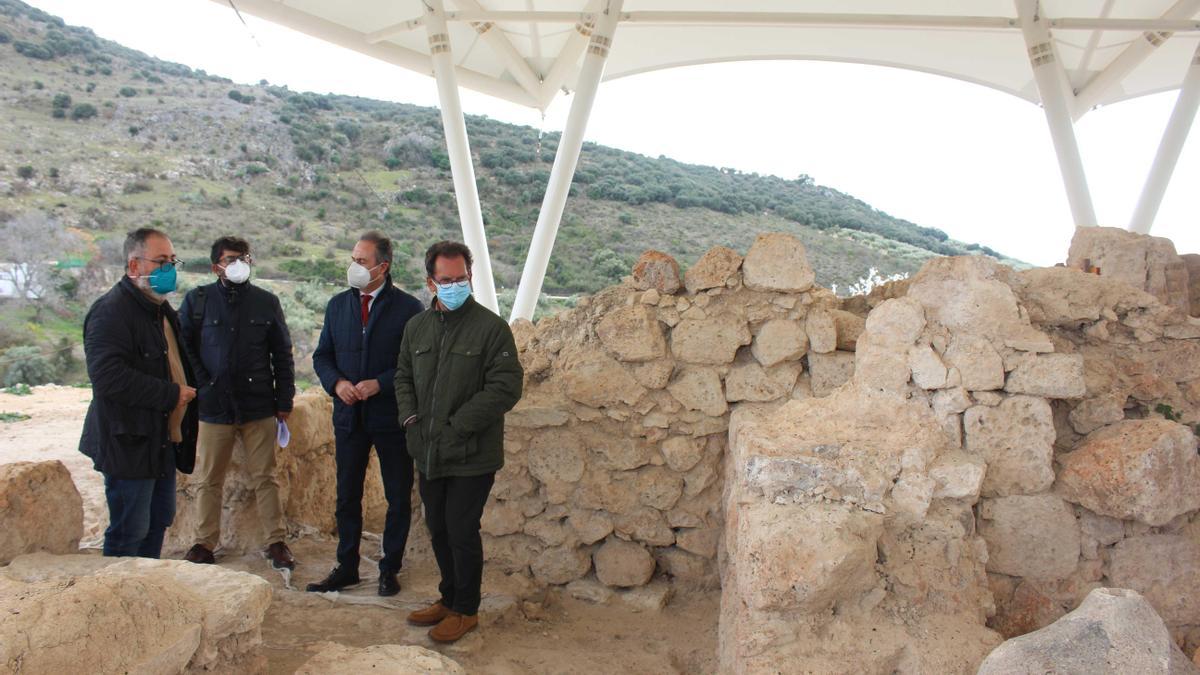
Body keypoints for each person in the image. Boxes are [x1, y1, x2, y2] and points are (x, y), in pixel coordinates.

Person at [394, 241, 523, 643]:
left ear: (471, 277)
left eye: (460, 278)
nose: (454, 285)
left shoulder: (490, 328)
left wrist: (458, 426)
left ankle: (467, 610)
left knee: (461, 529)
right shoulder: (417, 327)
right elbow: (402, 377)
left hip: (472, 454)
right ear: (430, 282)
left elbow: (506, 387)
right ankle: (449, 599)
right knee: (438, 528)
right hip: (428, 451)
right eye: (445, 280)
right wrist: (411, 421)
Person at [309, 231, 424, 596]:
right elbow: (322, 356)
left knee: (396, 496)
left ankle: (389, 568)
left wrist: (380, 383)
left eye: (361, 261)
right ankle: (347, 566)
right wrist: (337, 383)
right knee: (346, 497)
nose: (353, 266)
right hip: (349, 419)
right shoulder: (338, 305)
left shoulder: (408, 309)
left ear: (383, 266)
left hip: (390, 419)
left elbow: (414, 364)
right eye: (353, 259)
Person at [177, 236, 296, 570]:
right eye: (231, 259)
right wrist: (203, 384)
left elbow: (281, 354)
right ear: (216, 265)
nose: (239, 263)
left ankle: (276, 541)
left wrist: (284, 399)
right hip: (214, 409)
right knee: (208, 479)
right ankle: (203, 544)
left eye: (243, 257)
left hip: (258, 405)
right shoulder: (197, 301)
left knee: (266, 477)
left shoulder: (266, 302)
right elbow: (185, 348)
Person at [79, 227, 198, 558]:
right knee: (129, 530)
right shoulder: (110, 311)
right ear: (134, 266)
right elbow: (107, 377)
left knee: (158, 520)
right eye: (161, 262)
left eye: (172, 261)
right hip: (128, 443)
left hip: (159, 441)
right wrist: (171, 394)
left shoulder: (159, 309)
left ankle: (147, 593)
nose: (169, 270)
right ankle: (118, 602)